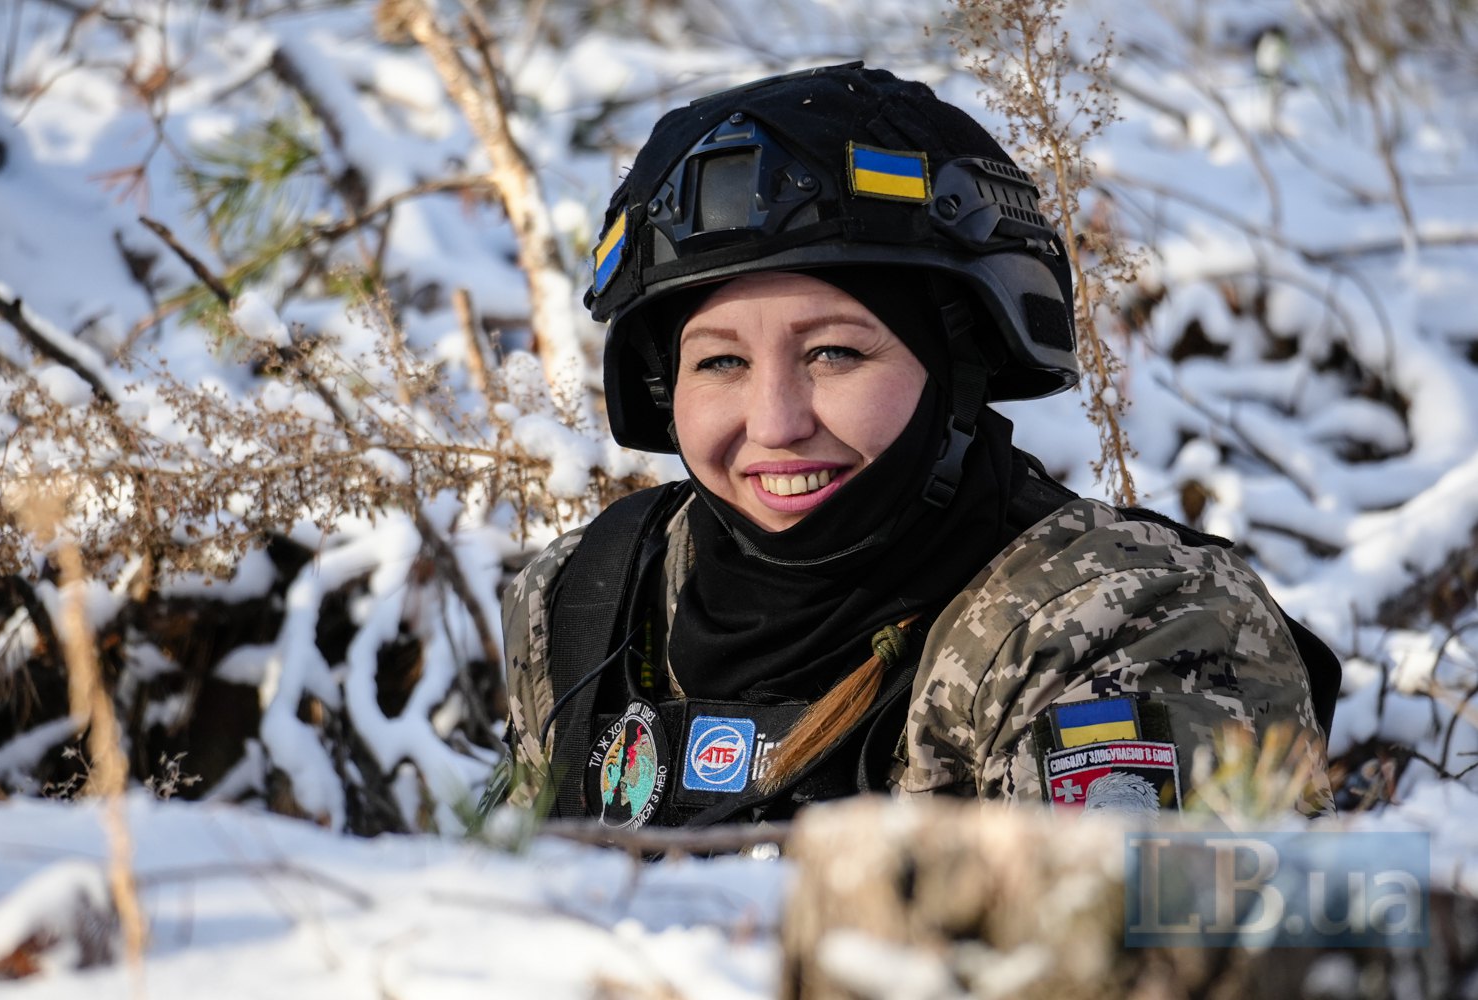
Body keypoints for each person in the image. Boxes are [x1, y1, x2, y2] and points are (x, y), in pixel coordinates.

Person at [490, 63, 1337, 829]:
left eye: (836, 352)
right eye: (720, 361)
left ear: (957, 370)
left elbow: (1142, 955)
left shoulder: (1114, 621)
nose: (775, 421)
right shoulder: (589, 606)